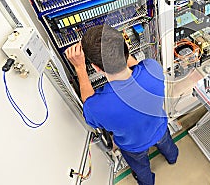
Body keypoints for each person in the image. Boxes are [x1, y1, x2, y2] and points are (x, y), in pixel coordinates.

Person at [65, 25, 178, 185]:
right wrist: (117, 49)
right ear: (126, 49)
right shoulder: (152, 67)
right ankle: (173, 158)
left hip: (133, 146)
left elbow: (88, 102)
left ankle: (147, 182)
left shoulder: (97, 107)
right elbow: (136, 65)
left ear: (96, 68)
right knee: (167, 145)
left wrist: (80, 68)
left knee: (141, 167)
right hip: (159, 127)